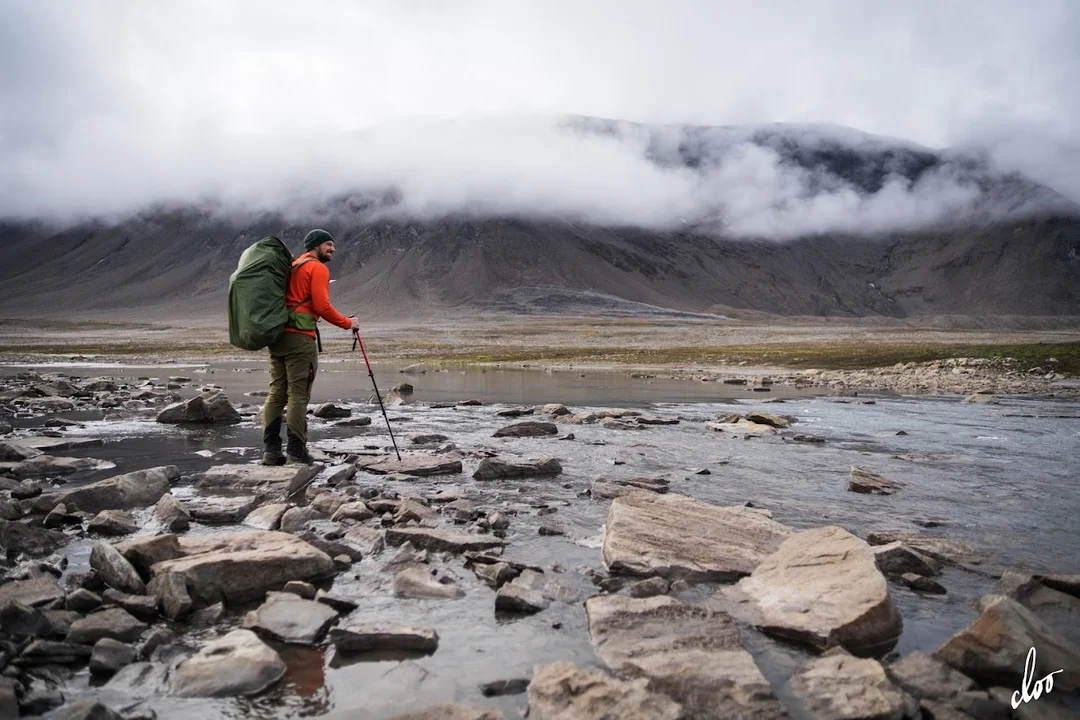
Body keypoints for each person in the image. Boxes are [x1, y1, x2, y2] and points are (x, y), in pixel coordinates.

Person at [261, 229, 360, 465]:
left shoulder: (293, 266)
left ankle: (271, 451)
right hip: (300, 338)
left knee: (277, 393)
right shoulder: (317, 268)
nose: (332, 249)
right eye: (328, 244)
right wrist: (349, 323)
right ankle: (296, 450)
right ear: (315, 246)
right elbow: (322, 306)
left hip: (278, 336)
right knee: (298, 394)